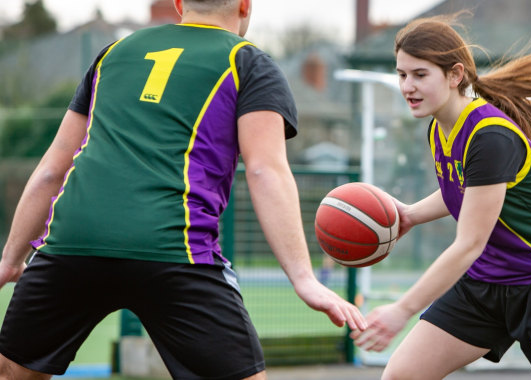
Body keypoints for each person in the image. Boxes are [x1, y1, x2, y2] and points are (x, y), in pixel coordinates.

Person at [0, 0, 366, 379]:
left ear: (178, 4)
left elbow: (51, 170)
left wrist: (11, 259)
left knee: (13, 372)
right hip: (174, 248)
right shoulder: (248, 62)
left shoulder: (113, 53)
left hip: (72, 240)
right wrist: (304, 279)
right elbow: (265, 171)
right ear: (245, 4)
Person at [351, 13, 531, 380]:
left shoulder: (490, 136)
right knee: (400, 375)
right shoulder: (440, 128)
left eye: (420, 75)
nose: (407, 86)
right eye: (402, 74)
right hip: (485, 283)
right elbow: (463, 191)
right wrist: (409, 215)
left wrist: (403, 309)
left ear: (454, 76)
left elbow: (470, 242)